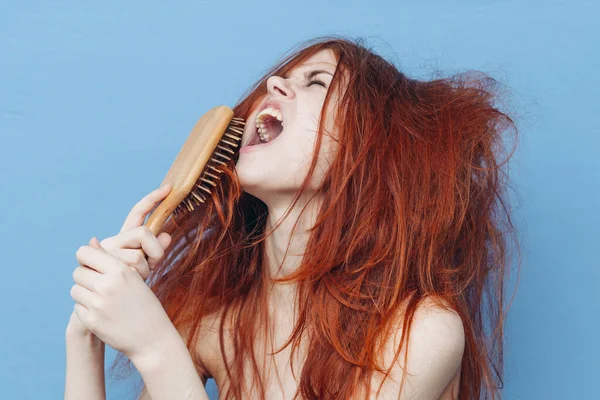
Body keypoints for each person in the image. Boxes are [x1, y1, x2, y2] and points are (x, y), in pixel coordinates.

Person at [65, 36, 520, 400]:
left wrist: (157, 351)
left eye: (317, 82)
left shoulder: (419, 333)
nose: (275, 84)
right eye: (282, 78)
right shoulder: (214, 325)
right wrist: (85, 335)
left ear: (370, 149)